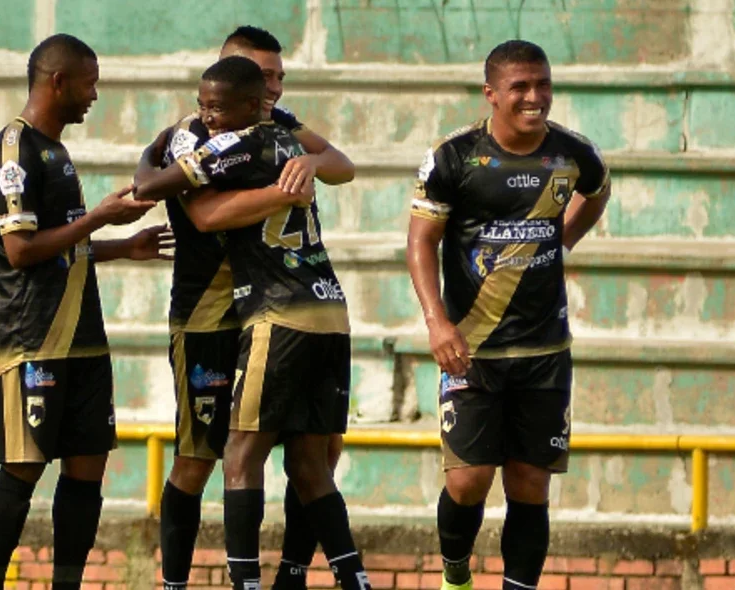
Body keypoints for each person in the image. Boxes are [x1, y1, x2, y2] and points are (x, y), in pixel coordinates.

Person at [136, 56, 371, 590]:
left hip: (273, 312)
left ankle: (252, 581)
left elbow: (189, 206)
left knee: (247, 454)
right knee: (283, 460)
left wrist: (144, 166)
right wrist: (292, 183)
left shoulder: (252, 135)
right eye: (268, 78)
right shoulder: (226, 135)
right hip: (302, 309)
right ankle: (350, 577)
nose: (276, 88)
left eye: (279, 79)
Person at [405, 39, 611, 590]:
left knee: (529, 485)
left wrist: (563, 236)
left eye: (542, 84)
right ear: (491, 94)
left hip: (545, 351)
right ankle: (455, 575)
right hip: (472, 350)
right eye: (520, 87)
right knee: (469, 481)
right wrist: (436, 321)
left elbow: (597, 189)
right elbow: (421, 242)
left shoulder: (571, 153)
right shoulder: (454, 157)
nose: (534, 97)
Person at [0, 33, 171, 590]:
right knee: (23, 468)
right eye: (89, 83)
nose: (94, 94)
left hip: (83, 334)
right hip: (32, 336)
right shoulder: (15, 149)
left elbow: (57, 244)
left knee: (87, 467)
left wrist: (119, 247)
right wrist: (99, 220)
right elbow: (19, 250)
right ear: (58, 81)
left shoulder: (55, 150)